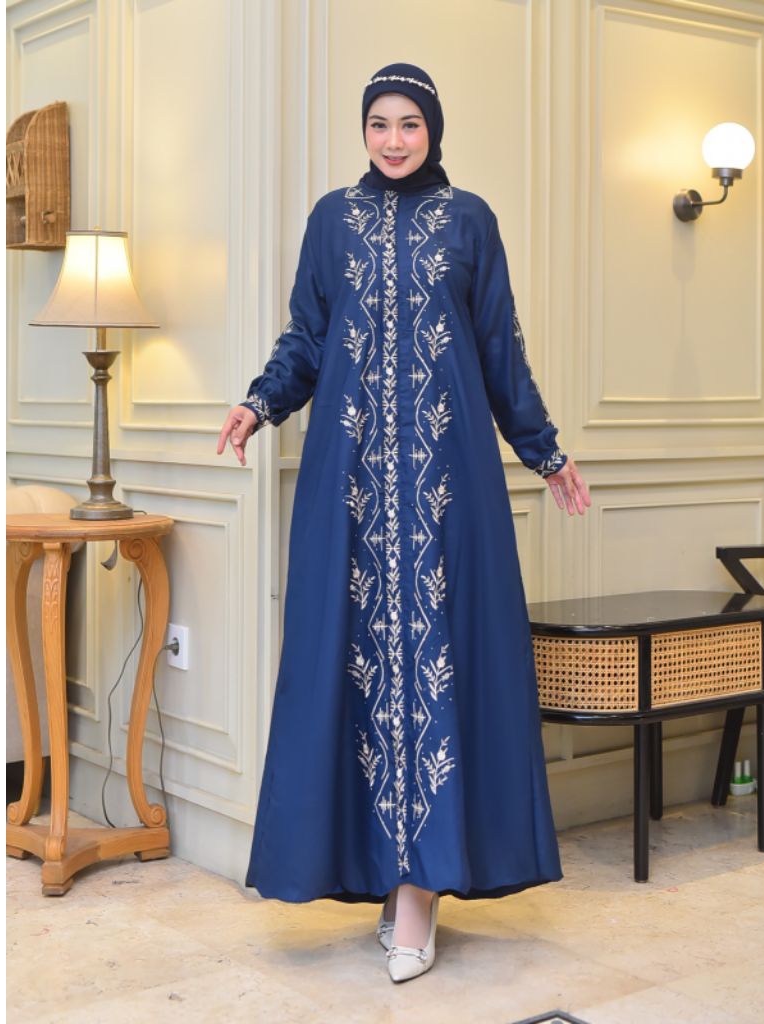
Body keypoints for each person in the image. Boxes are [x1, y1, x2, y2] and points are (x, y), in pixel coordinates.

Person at [217, 62, 591, 983]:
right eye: (380, 123)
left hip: (448, 487)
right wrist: (260, 403)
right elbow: (307, 337)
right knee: (354, 666)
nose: (393, 139)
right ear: (365, 130)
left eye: (409, 124)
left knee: (438, 661)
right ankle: (389, 877)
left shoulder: (470, 221)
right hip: (347, 484)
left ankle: (420, 892)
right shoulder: (331, 220)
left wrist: (545, 451)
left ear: (433, 130)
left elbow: (499, 349)